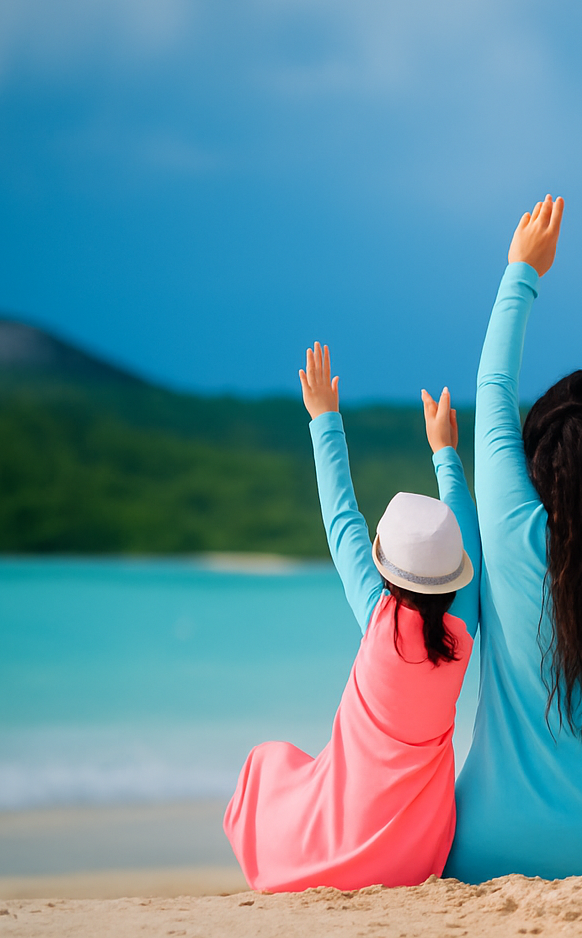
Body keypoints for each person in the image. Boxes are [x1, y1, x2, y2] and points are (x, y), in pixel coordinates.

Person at [444, 192, 582, 881]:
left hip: (489, 847)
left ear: (533, 459)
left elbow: (490, 385)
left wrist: (523, 269)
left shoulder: (511, 527)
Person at [224, 343, 481, 892]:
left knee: (268, 761)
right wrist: (446, 454)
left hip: (352, 841)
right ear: (456, 574)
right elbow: (464, 528)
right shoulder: (462, 639)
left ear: (385, 568)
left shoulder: (378, 619)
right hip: (419, 857)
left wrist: (324, 419)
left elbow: (342, 517)